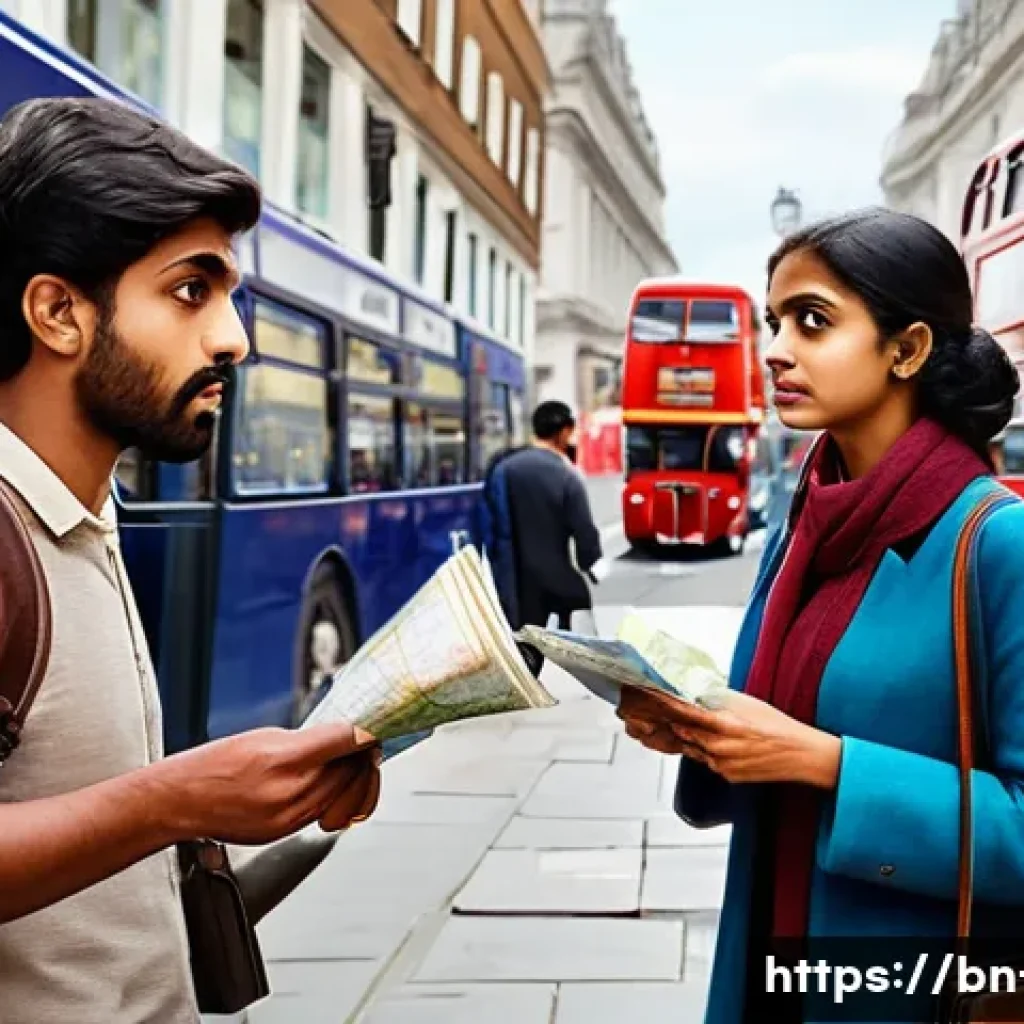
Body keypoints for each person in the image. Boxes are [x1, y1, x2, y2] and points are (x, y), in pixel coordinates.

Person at [0, 97, 381, 1023]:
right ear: (58, 313)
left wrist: (227, 796)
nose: (233, 338)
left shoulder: (86, 511)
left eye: (229, 295)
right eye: (189, 290)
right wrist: (170, 800)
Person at [617, 208, 1024, 1023]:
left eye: (812, 321)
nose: (774, 349)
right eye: (774, 321)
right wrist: (702, 731)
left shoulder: (997, 543)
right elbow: (773, 734)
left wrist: (830, 764)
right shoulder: (804, 518)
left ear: (906, 348)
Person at [480, 400, 604, 630]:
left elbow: (489, 529)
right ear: (565, 432)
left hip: (515, 585)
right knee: (577, 643)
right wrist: (591, 565)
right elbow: (585, 537)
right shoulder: (568, 475)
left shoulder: (503, 467)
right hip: (559, 584)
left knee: (525, 654)